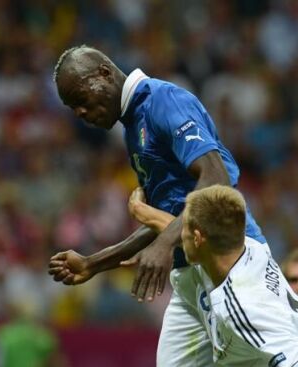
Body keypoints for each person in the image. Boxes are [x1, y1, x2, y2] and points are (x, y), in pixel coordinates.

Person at [48, 45, 267, 366]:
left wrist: (165, 242)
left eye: (80, 98)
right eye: (71, 108)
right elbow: (165, 220)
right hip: (191, 281)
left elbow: (216, 177)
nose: (79, 113)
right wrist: (94, 263)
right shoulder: (132, 127)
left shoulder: (163, 101)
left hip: (231, 265)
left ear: (105, 73)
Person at [131, 185, 298, 365]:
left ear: (198, 238)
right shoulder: (249, 247)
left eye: (183, 230)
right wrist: (141, 211)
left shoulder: (245, 308)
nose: (176, 235)